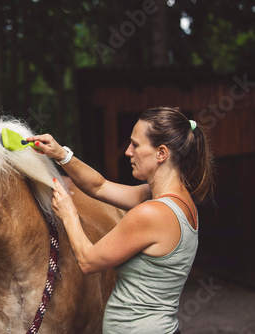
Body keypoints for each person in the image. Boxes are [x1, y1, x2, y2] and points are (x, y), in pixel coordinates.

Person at [27, 107, 214, 334]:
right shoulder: (180, 201)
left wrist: (68, 213)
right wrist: (62, 155)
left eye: (135, 145)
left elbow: (88, 261)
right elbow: (100, 186)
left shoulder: (152, 213)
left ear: (161, 153)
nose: (128, 151)